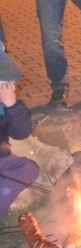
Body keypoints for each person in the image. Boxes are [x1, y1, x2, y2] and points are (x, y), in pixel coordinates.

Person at [0, 30, 40, 217]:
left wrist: (12, 105)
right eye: (5, 85)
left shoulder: (6, 105)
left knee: (28, 168)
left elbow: (21, 132)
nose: (12, 89)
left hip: (3, 161)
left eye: (12, 85)